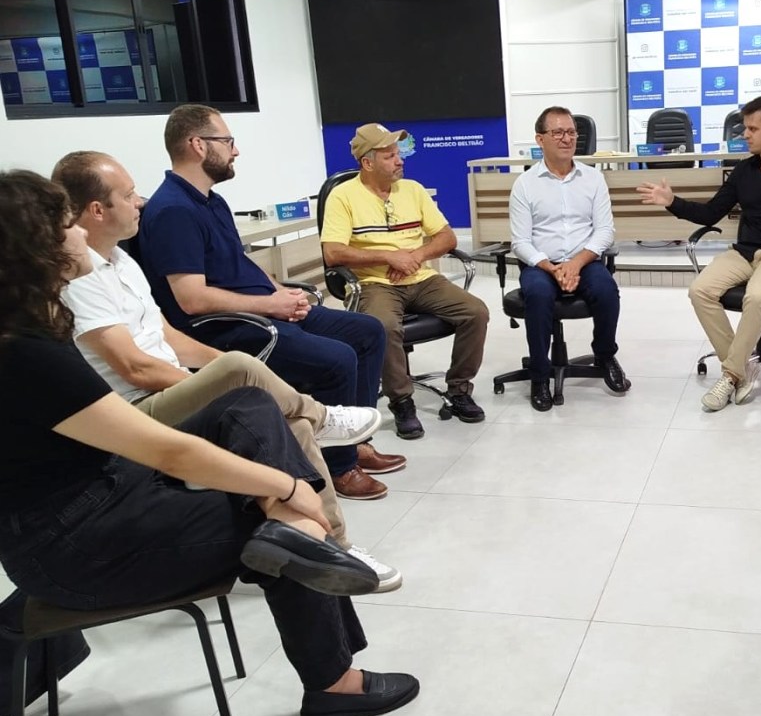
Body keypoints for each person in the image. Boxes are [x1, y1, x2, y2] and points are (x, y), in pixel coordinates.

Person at [0, 169, 420, 716]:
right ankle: (334, 685)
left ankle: (306, 532)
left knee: (247, 405)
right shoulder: (26, 354)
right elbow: (168, 452)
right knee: (283, 533)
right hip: (78, 546)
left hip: (101, 500)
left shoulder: (33, 331)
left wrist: (280, 493)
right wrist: (287, 489)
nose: (79, 232)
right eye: (65, 226)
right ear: (40, 248)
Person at [52, 150, 402, 592]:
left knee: (287, 420)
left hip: (170, 390)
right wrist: (216, 383)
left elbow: (169, 338)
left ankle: (334, 546)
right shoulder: (81, 279)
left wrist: (220, 375)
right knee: (240, 368)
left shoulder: (123, 261)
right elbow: (135, 368)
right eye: (128, 195)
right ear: (97, 210)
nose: (139, 201)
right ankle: (322, 416)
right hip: (135, 413)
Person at [137, 104, 402, 502]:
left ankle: (355, 442)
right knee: (337, 359)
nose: (235, 151)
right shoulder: (174, 211)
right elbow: (191, 299)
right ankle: (339, 466)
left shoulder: (211, 201)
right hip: (226, 327)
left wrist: (281, 293)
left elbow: (241, 264)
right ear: (197, 145)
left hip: (261, 309)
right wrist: (270, 306)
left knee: (367, 331)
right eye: (227, 141)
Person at [636, 94, 761, 411]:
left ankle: (729, 376)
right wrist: (672, 202)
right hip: (746, 251)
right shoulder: (744, 170)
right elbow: (711, 213)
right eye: (745, 128)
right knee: (700, 290)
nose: (745, 135)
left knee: (756, 295)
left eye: (752, 129)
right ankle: (739, 371)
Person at [321, 123, 490, 440]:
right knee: (383, 326)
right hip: (374, 283)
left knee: (476, 312)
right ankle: (401, 401)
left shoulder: (412, 189)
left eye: (398, 154)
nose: (399, 160)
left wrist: (414, 256)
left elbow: (447, 237)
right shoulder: (342, 197)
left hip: (421, 278)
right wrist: (389, 257)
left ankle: (458, 389)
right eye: (389, 156)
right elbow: (333, 253)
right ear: (367, 162)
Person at [509, 105, 630, 411]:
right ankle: (540, 375)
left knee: (606, 290)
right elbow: (520, 241)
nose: (567, 138)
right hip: (541, 264)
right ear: (540, 139)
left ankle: (605, 355)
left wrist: (575, 263)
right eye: (558, 132)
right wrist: (550, 267)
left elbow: (605, 231)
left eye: (572, 132)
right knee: (537, 295)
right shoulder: (525, 184)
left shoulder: (593, 178)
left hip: (584, 260)